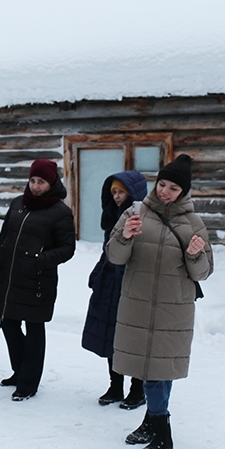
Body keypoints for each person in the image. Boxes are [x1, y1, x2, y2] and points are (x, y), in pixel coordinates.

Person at [107, 154, 213, 449]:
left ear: (185, 192)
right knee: (150, 370)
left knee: (158, 371)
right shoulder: (135, 212)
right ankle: (150, 423)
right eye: (162, 184)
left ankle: (162, 435)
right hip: (138, 304)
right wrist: (125, 236)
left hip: (173, 309)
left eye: (173, 188)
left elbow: (204, 272)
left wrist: (196, 255)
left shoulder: (194, 223)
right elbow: (114, 256)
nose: (164, 192)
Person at [0, 158, 75, 401]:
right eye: (33, 181)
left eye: (41, 182)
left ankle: (28, 382)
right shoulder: (18, 205)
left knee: (34, 329)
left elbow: (68, 248)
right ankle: (20, 371)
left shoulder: (60, 212)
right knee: (8, 325)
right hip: (9, 278)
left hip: (38, 282)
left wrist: (40, 259)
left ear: (52, 183)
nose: (35, 186)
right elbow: (2, 241)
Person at [81, 171, 148, 409]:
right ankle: (115, 385)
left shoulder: (144, 218)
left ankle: (138, 389)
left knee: (133, 338)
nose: (118, 197)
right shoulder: (112, 217)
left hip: (132, 285)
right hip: (110, 281)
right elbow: (108, 251)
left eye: (121, 191)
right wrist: (98, 273)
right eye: (114, 192)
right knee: (111, 336)